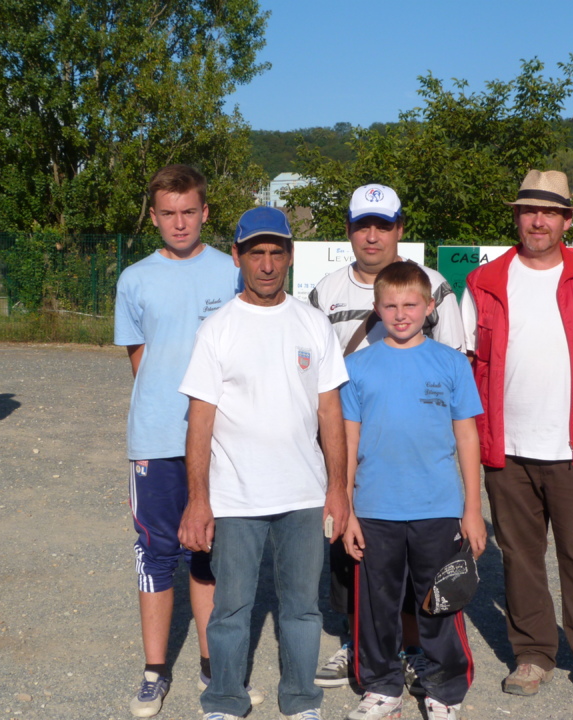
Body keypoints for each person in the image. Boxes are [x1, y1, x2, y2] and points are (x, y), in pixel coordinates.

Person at [461, 170, 573, 714]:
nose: (538, 221)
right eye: (528, 211)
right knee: (519, 558)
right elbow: (468, 360)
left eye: (550, 212)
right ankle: (533, 654)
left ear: (565, 220)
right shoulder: (485, 281)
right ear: (517, 217)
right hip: (506, 448)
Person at [177, 206, 350, 720]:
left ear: (291, 257)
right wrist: (198, 500)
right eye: (257, 253)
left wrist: (338, 489)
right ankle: (225, 700)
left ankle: (301, 701)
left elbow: (330, 412)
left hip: (302, 494)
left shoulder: (313, 323)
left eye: (278, 253)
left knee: (302, 609)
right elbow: (200, 422)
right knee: (230, 609)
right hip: (235, 497)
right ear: (238, 256)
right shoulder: (218, 330)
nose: (268, 264)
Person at [114, 165, 260, 718]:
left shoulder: (231, 273)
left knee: (212, 556)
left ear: (206, 213)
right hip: (155, 440)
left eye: (189, 212)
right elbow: (141, 363)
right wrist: (165, 417)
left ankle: (212, 667)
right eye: (168, 214)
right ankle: (154, 672)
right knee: (156, 555)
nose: (180, 223)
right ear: (153, 217)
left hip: (222, 441)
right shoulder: (134, 279)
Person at [308, 183, 465, 690]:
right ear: (349, 230)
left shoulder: (436, 287)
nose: (372, 235)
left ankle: (415, 646)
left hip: (417, 463)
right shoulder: (324, 290)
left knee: (417, 562)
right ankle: (360, 642)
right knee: (349, 553)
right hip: (345, 443)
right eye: (361, 225)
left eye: (383, 225)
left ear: (400, 228)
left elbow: (453, 369)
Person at [340, 261, 485, 720]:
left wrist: (473, 509)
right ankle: (382, 685)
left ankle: (444, 689)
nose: (401, 314)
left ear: (428, 307)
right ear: (376, 308)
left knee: (439, 601)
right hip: (375, 508)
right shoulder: (356, 367)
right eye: (390, 305)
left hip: (437, 507)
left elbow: (467, 436)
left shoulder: (450, 363)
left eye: (410, 304)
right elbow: (347, 442)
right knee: (376, 605)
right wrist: (346, 509)